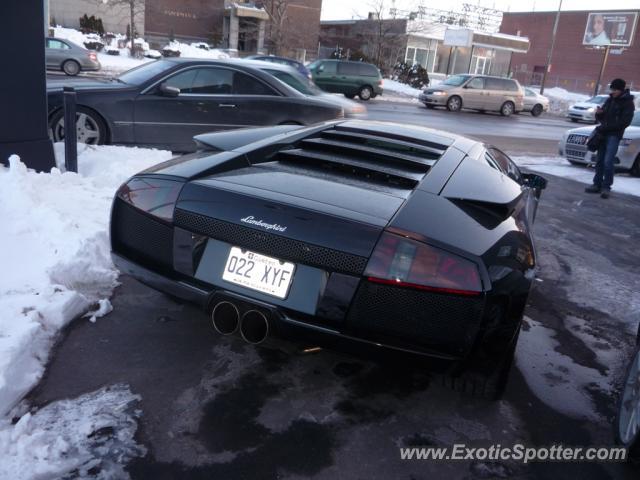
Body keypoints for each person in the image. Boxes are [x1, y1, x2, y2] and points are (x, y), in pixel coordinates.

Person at [585, 78, 635, 198]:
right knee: (599, 160)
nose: (612, 91)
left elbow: (624, 122)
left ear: (621, 90)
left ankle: (606, 187)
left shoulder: (627, 103)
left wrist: (607, 127)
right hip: (603, 134)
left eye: (615, 89)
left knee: (608, 161)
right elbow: (602, 119)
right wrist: (599, 113)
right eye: (612, 89)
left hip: (614, 135)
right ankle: (596, 184)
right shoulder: (610, 100)